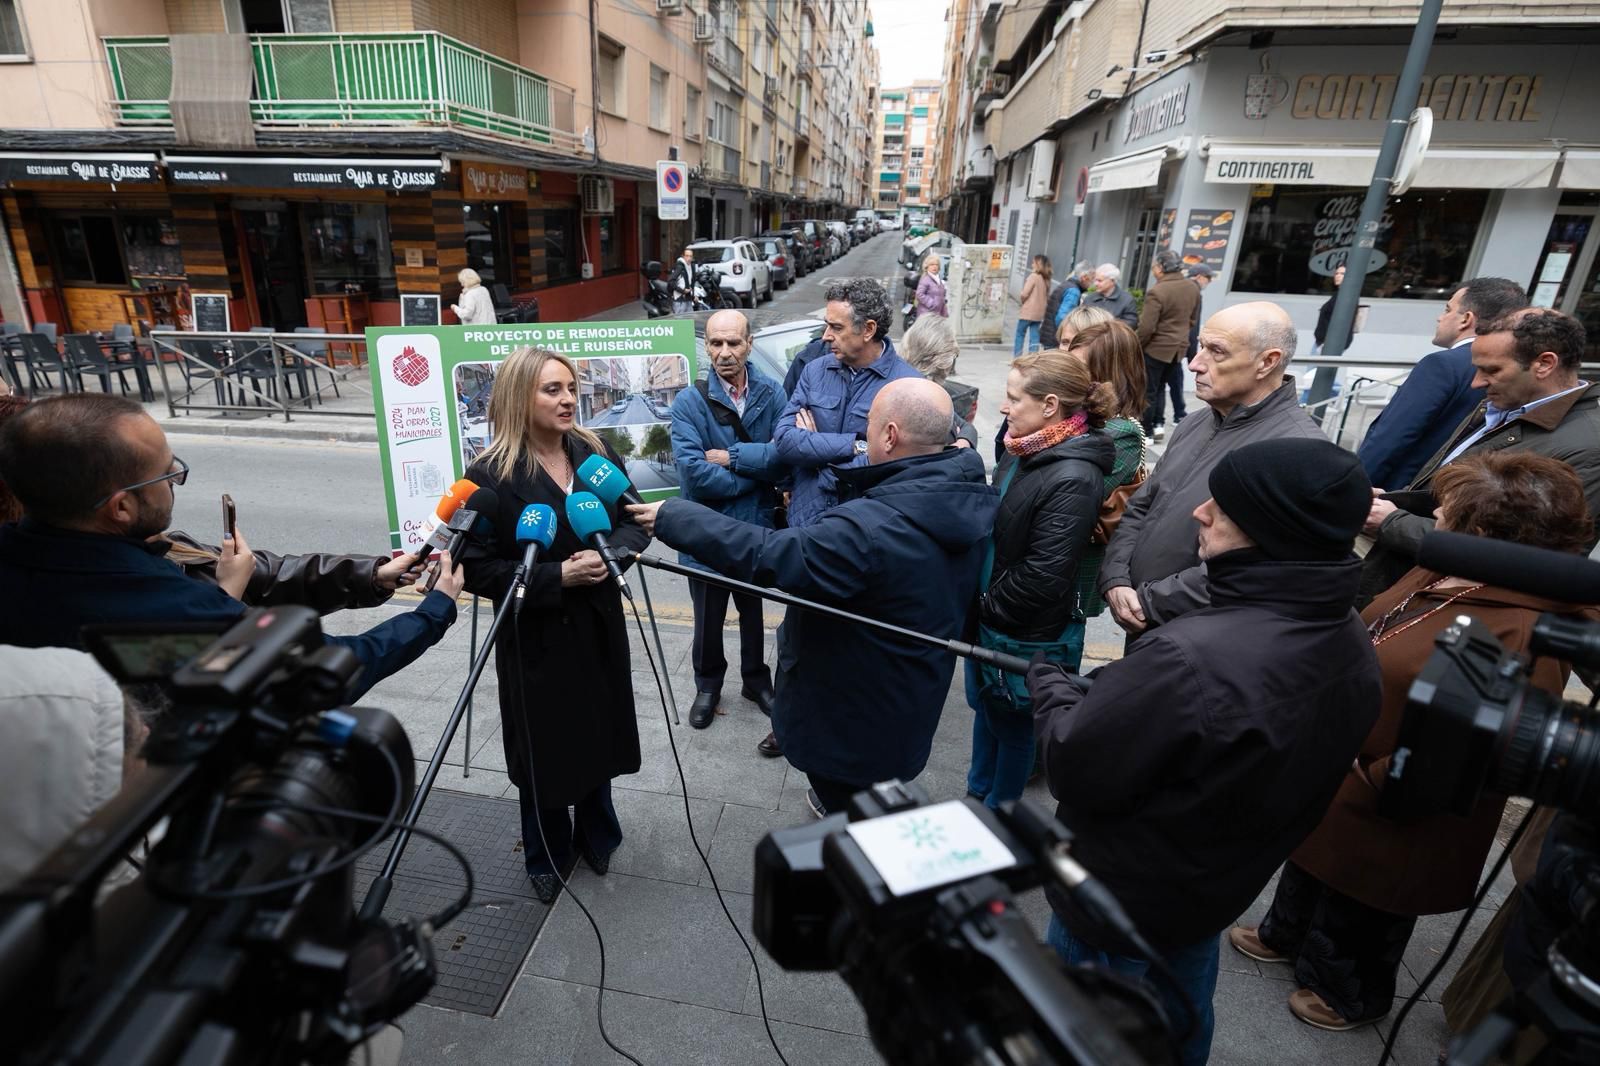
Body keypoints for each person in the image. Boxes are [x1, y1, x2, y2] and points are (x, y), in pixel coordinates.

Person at [1029, 437, 1382, 1066]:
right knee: (1181, 1007)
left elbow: (1073, 762)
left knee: (1082, 1031)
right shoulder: (1349, 635)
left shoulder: (1192, 657)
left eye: (1222, 507)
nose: (1200, 512)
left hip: (1122, 894)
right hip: (1213, 885)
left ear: (1273, 528)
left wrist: (1054, 689)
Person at [1233, 452, 1600, 1032]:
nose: (1436, 517)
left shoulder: (1527, 624)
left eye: (1447, 511)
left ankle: (1346, 991)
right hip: (1345, 761)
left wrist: (1369, 776)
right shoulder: (1444, 566)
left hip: (1401, 788)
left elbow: (1473, 750)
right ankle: (1287, 934)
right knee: (1314, 856)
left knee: (1371, 891)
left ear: (1486, 534)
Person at [629, 379, 999, 818]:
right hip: (907, 704)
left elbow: (772, 556)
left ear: (889, 436)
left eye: (868, 424)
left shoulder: (871, 529)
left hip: (854, 724)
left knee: (854, 822)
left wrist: (675, 515)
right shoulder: (964, 485)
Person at [0, 394, 463, 702]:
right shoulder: (168, 609)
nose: (176, 484)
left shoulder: (68, 555)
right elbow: (331, 670)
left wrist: (371, 575)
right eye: (167, 474)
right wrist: (434, 610)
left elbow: (257, 570)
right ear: (120, 508)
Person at [459, 347, 649, 903]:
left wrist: (611, 555)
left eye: (570, 387)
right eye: (552, 390)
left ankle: (598, 831)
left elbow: (636, 522)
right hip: (534, 636)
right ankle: (545, 851)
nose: (568, 399)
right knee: (544, 748)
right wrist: (555, 577)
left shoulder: (595, 452)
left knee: (597, 729)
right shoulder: (489, 475)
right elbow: (473, 567)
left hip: (597, 626)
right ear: (521, 396)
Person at [1099, 302, 1326, 633]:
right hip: (1147, 621)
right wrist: (1117, 578)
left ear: (1268, 362)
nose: (1194, 364)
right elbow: (1141, 506)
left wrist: (1150, 602)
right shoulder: (1196, 422)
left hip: (1202, 639)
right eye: (1200, 346)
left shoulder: (1300, 450)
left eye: (1216, 352)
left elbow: (1256, 566)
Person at [1362, 307, 1600, 602]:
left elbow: (1527, 556)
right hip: (1416, 580)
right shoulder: (1505, 404)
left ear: (1544, 364)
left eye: (1491, 370)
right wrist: (1399, 503)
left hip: (1459, 602)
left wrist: (1393, 523)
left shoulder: (1589, 448)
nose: (1476, 383)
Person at [966, 350, 1115, 809]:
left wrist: (984, 607)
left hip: (1022, 630)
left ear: (1050, 405)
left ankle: (998, 813)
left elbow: (1043, 575)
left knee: (1014, 728)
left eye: (1013, 398)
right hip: (994, 617)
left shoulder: (1073, 475)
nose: (1005, 408)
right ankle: (976, 793)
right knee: (989, 713)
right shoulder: (1023, 448)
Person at [669, 309, 784, 732]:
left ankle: (756, 681)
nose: (724, 352)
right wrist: (754, 477)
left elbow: (783, 459)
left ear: (749, 344)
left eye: (733, 343)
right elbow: (694, 474)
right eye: (715, 343)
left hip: (753, 529)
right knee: (708, 616)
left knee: (752, 612)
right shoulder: (689, 402)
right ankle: (708, 685)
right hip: (705, 530)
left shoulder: (772, 394)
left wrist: (738, 466)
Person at [774, 278, 920, 528]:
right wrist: (857, 444)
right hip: (807, 524)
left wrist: (816, 456)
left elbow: (895, 462)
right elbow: (785, 440)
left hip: (866, 528)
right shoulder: (814, 371)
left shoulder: (907, 385)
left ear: (868, 330)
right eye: (826, 325)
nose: (826, 336)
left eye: (836, 327)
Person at [1356, 277, 1528, 490]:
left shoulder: (1441, 365)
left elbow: (1391, 438)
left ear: (1466, 319)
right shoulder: (1517, 369)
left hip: (1398, 493)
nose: (1440, 318)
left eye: (1447, 309)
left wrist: (1351, 488)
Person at [1062, 321, 1148, 624]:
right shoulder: (1076, 413)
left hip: (1072, 562)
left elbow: (1070, 493)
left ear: (1111, 373)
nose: (1071, 376)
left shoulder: (1121, 432)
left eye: (1082, 369)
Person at [1137, 249, 1203, 439]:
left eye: (1154, 267)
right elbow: (1193, 320)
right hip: (1178, 348)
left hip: (1156, 348)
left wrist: (1137, 345)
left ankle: (1146, 432)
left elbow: (1147, 328)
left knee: (1148, 390)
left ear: (1160, 268)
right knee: (1160, 388)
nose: (1153, 271)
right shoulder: (1193, 288)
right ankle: (1158, 426)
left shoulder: (1157, 291)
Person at [1039, 260, 1088, 349]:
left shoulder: (1067, 284)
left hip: (1049, 336)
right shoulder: (1074, 291)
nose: (1094, 284)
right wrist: (1066, 340)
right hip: (1055, 340)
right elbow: (1063, 318)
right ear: (1084, 277)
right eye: (1092, 279)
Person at [1082, 263, 1139, 328]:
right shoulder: (1089, 298)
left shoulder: (1127, 300)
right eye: (1095, 280)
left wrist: (1108, 323)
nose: (1095, 284)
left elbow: (1132, 323)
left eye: (1100, 281)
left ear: (1112, 281)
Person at [1015, 255, 1051, 355]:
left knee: (1020, 334)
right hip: (1039, 314)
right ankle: (1032, 358)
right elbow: (1047, 297)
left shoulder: (1033, 277)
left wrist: (1023, 301)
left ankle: (1017, 357)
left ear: (1037, 264)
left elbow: (1024, 293)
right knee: (1034, 336)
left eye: (1033, 262)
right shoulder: (1046, 279)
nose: (1031, 264)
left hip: (1028, 312)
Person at [1313, 264, 1347, 354]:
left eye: (1342, 274)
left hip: (1328, 344)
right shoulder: (1339, 294)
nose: (1338, 276)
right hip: (1322, 342)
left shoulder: (1346, 296)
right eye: (1336, 273)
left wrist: (1329, 343)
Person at [1185, 264, 1214, 361]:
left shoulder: (1179, 287)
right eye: (1208, 277)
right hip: (1176, 345)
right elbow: (1194, 325)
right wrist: (1192, 354)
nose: (1210, 281)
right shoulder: (1195, 293)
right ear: (1199, 276)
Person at [915, 254, 948, 319]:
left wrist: (945, 314)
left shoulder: (938, 280)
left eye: (936, 265)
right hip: (926, 315)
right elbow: (919, 294)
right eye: (932, 264)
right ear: (927, 266)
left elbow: (941, 298)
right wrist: (932, 303)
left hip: (936, 315)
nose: (934, 267)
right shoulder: (926, 279)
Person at [670, 245, 696, 314]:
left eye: (690, 256)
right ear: (683, 256)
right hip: (679, 300)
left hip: (688, 299)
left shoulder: (691, 267)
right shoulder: (679, 267)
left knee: (690, 321)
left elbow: (691, 284)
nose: (689, 258)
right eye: (687, 256)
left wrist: (693, 296)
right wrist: (682, 291)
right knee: (680, 322)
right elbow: (671, 282)